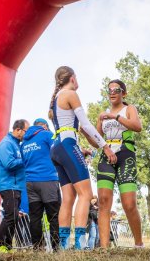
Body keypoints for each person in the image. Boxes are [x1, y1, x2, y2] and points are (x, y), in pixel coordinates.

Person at [48, 66, 117, 250]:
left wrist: (80, 149)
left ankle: (63, 246)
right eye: (76, 77)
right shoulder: (70, 93)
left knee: (68, 198)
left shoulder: (55, 98)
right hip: (66, 145)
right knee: (86, 194)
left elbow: (68, 128)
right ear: (72, 78)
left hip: (57, 148)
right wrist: (105, 146)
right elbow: (85, 124)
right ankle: (79, 244)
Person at [95, 79, 144, 248]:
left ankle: (139, 245)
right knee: (103, 201)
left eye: (117, 89)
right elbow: (96, 141)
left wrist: (115, 116)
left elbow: (137, 126)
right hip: (106, 155)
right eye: (109, 90)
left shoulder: (128, 109)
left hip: (126, 154)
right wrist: (86, 133)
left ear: (124, 93)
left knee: (129, 204)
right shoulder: (102, 114)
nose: (112, 92)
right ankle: (104, 248)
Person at [21, 118, 61, 251]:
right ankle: (56, 248)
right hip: (47, 179)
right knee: (53, 216)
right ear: (44, 126)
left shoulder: (24, 142)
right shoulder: (46, 134)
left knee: (35, 217)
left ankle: (37, 248)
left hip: (30, 182)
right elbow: (58, 151)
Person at [0, 119, 29, 253]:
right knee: (10, 215)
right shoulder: (6, 143)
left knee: (14, 217)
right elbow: (9, 164)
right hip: (9, 185)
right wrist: (26, 158)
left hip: (17, 186)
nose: (27, 134)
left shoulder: (17, 144)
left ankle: (7, 246)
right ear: (18, 130)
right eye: (26, 131)